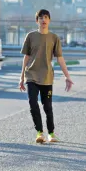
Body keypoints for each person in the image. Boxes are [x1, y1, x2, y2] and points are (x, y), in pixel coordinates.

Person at [19, 9, 74, 144]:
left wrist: (67, 76)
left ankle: (51, 133)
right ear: (37, 21)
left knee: (47, 106)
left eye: (45, 17)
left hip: (47, 77)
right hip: (31, 75)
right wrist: (21, 78)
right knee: (32, 102)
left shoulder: (54, 38)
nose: (43, 20)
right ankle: (39, 132)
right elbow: (26, 58)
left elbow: (60, 58)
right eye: (40, 18)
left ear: (49, 20)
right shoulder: (30, 36)